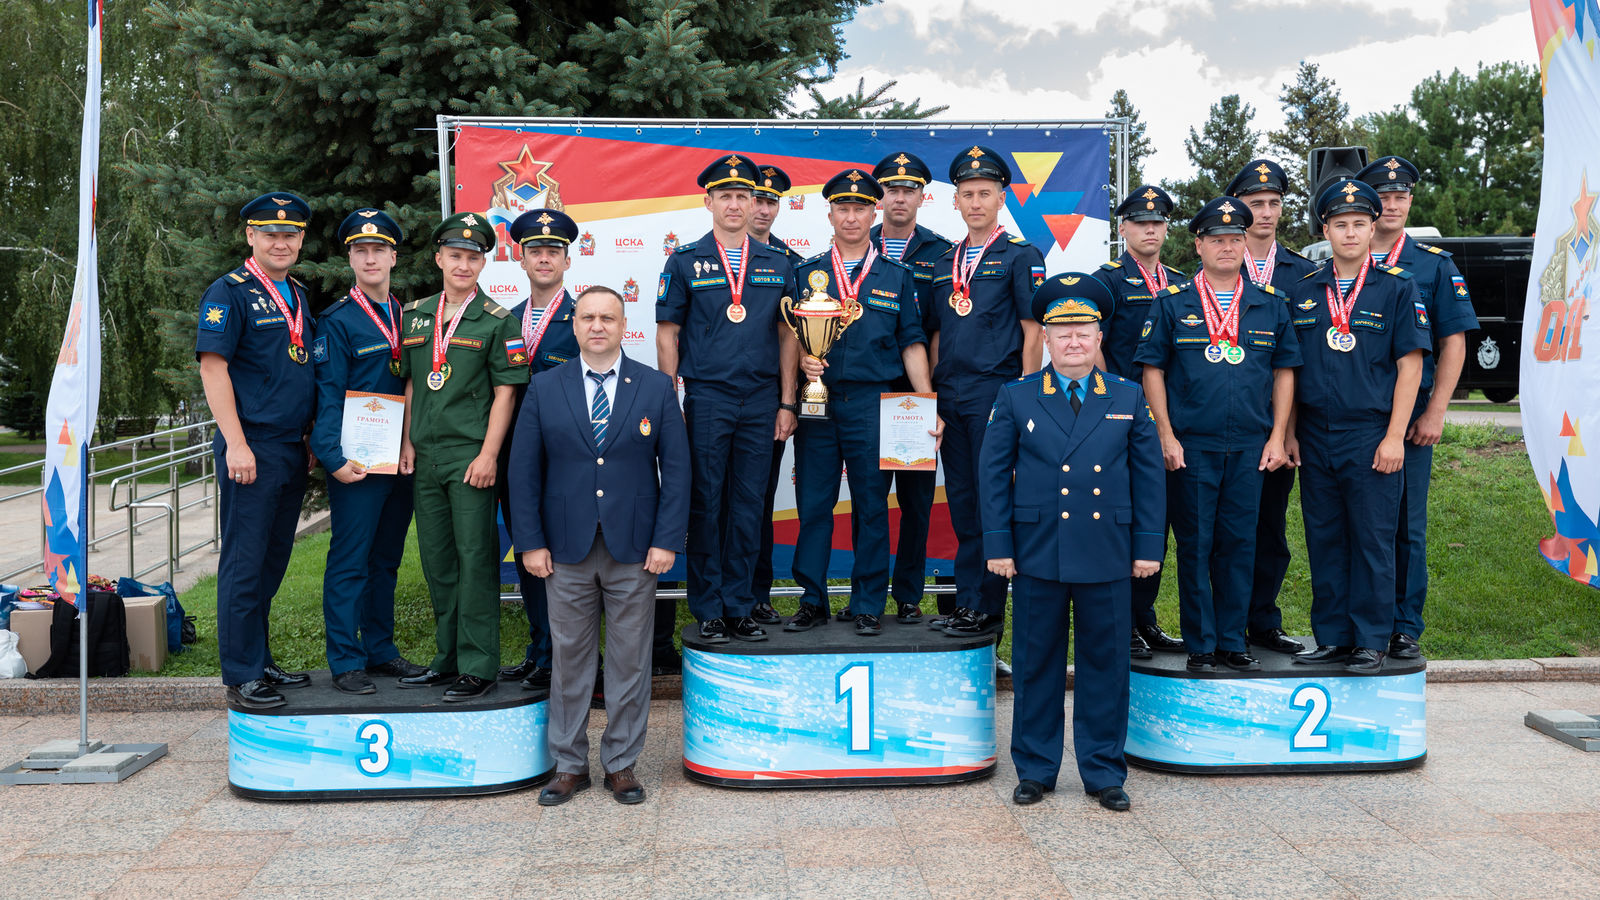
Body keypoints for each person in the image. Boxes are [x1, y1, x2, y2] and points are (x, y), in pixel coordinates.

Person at [980, 274, 1163, 811]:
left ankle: (1104, 771)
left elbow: (1150, 476)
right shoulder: (1015, 397)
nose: (1074, 342)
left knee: (1106, 664)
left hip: (1108, 548)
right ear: (1045, 340)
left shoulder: (1128, 396)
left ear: (1100, 336)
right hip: (1038, 548)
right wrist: (998, 544)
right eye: (1061, 333)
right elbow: (993, 475)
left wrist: (1148, 545)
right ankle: (1035, 769)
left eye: (1084, 331)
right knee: (1036, 662)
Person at [509, 287, 690, 807]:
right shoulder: (545, 387)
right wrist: (531, 543)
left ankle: (621, 763)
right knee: (569, 658)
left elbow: (676, 471)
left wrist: (666, 541)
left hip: (635, 548)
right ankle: (569, 765)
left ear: (623, 323)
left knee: (631, 660)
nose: (596, 326)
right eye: (587, 317)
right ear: (574, 324)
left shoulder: (656, 387)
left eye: (607, 317)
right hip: (562, 548)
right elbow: (524, 472)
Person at [1135, 197, 1301, 673]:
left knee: (1240, 545)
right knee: (1196, 545)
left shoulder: (1269, 306)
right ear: (1198, 245)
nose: (1227, 247)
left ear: (1246, 244)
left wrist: (1277, 436)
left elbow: (1285, 372)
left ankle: (1233, 640)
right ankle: (1202, 645)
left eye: (1235, 239)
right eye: (1217, 239)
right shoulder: (1171, 304)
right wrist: (1166, 435)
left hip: (1251, 446)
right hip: (1192, 447)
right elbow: (1153, 372)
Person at [656, 154, 800, 644]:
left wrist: (787, 402)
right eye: (726, 196)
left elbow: (788, 336)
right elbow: (668, 332)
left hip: (762, 400)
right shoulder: (684, 260)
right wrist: (666, 397)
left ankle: (740, 606)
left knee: (748, 504)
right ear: (709, 202)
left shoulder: (779, 263)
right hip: (708, 398)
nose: (736, 204)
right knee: (707, 503)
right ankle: (708, 607)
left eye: (744, 196)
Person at [787, 169, 937, 636]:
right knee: (814, 504)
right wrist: (800, 372)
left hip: (876, 403)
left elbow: (912, 343)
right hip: (818, 405)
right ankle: (812, 599)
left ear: (873, 213)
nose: (851, 217)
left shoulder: (898, 276)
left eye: (860, 208)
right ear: (829, 214)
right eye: (842, 208)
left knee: (872, 505)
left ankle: (867, 601)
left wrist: (929, 404)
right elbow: (792, 339)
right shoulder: (805, 272)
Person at [1289, 180, 1428, 672]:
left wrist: (1395, 436)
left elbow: (1410, 366)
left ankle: (1371, 637)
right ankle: (1332, 636)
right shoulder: (1304, 290)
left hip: (1370, 433)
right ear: (1325, 229)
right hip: (1314, 434)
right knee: (1325, 536)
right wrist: (1289, 432)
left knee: (1372, 539)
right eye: (1339, 224)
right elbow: (1289, 369)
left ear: (1373, 227)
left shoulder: (1397, 287)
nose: (1349, 233)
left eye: (1359, 224)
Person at [395, 212, 528, 700]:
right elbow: (412, 381)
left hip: (471, 457)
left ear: (484, 263)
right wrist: (407, 441)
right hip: (426, 457)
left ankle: (478, 664)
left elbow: (505, 394)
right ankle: (446, 658)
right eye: (455, 256)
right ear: (439, 259)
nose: (464, 264)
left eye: (473, 257)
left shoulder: (498, 320)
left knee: (475, 559)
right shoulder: (416, 315)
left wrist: (490, 453)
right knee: (438, 560)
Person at [196, 191, 318, 710]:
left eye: (290, 234)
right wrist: (238, 444)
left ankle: (260, 658)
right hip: (253, 448)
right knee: (245, 562)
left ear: (301, 239)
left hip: (291, 448)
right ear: (251, 236)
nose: (281, 241)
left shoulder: (297, 295)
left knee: (272, 559)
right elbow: (213, 367)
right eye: (270, 233)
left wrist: (309, 437)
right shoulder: (230, 292)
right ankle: (241, 673)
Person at [1356, 155, 1480, 661]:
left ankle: (1403, 626)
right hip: (1352, 420)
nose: (1391, 205)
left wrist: (1436, 412)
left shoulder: (1434, 264)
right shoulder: (1342, 263)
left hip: (1409, 422)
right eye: (1381, 197)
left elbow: (1454, 343)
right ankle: (1357, 626)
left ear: (1410, 201)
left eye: (1400, 196)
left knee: (1407, 526)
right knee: (1356, 527)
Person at [925, 145, 1045, 651]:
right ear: (955, 201)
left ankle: (987, 609)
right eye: (967, 194)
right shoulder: (942, 261)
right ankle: (970, 603)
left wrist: (1022, 397)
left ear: (1002, 198)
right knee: (965, 504)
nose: (976, 202)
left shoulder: (1021, 256)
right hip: (949, 397)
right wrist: (929, 396)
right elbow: (933, 334)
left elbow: (1033, 330)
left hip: (997, 394)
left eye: (985, 193)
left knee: (994, 501)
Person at [308, 208, 429, 695]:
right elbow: (327, 393)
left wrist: (409, 447)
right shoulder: (337, 321)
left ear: (394, 257)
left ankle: (380, 650)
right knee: (350, 559)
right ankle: (345, 660)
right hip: (357, 461)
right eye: (361, 250)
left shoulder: (411, 317)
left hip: (400, 459)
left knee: (386, 559)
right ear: (351, 259)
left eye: (379, 249)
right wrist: (333, 457)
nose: (370, 257)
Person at [1223, 159, 1320, 656]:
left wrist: (1290, 432)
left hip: (1279, 426)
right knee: (1225, 533)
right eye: (1254, 203)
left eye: (1273, 203)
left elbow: (1302, 364)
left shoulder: (1304, 274)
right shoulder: (1217, 264)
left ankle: (1262, 622)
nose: (1264, 212)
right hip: (1224, 424)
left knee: (1270, 531)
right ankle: (1225, 627)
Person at [1093, 185, 1186, 661]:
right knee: (1122, 521)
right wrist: (1116, 400)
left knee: (1158, 520)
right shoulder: (1106, 280)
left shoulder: (1184, 283)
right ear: (1123, 228)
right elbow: (1096, 345)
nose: (1150, 229)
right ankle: (1121, 621)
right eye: (1140, 222)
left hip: (1171, 417)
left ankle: (1146, 619)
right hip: (1122, 415)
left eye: (1158, 223)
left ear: (1166, 229)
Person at [495, 207, 583, 693]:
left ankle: (564, 658)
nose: (544, 259)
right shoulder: (502, 319)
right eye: (535, 252)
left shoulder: (583, 318)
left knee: (567, 557)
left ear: (567, 261)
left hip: (565, 458)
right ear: (520, 259)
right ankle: (539, 652)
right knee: (529, 547)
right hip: (513, 455)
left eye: (554, 251)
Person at [870, 150, 954, 621]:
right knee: (869, 499)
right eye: (890, 189)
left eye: (908, 190)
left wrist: (930, 395)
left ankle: (907, 597)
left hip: (918, 395)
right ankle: (867, 599)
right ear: (878, 197)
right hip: (865, 391)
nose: (899, 197)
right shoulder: (855, 244)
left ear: (924, 196)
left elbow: (942, 328)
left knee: (917, 504)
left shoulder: (943, 254)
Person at [748, 162, 799, 628]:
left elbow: (798, 336)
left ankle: (757, 593)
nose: (762, 209)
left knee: (760, 499)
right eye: (756, 199)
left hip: (770, 401)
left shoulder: (791, 262)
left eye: (770, 201)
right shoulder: (702, 256)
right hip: (721, 400)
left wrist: (789, 400)